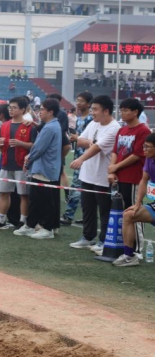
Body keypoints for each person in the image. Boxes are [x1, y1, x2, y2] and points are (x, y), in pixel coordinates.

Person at [69, 95, 121, 251]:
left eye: (95, 109)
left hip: (103, 176)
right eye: (92, 109)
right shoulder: (93, 123)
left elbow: (98, 148)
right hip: (87, 175)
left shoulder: (114, 128)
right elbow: (80, 141)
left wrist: (81, 159)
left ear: (106, 111)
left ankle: (104, 241)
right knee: (87, 208)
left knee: (105, 210)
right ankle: (87, 237)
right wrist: (89, 143)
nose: (92, 112)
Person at [106, 98, 149, 255]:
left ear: (135, 112)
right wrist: (112, 170)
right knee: (122, 213)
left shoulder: (143, 131)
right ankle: (125, 246)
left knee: (134, 213)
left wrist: (116, 167)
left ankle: (137, 249)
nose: (122, 113)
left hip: (133, 178)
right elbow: (115, 151)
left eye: (125, 110)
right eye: (121, 110)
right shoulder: (122, 130)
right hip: (120, 177)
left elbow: (137, 155)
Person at [15, 99, 63, 239]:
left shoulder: (50, 127)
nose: (39, 112)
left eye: (42, 109)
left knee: (44, 200)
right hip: (43, 168)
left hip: (45, 169)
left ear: (50, 112)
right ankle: (30, 225)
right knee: (35, 199)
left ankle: (47, 228)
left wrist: (28, 159)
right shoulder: (51, 125)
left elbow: (39, 148)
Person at [0, 96, 36, 230]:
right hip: (6, 163)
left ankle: (23, 221)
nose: (11, 110)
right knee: (3, 193)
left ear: (22, 110)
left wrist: (21, 143)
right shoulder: (4, 125)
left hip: (22, 166)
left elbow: (35, 146)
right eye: (10, 107)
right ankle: (1, 220)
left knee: (24, 195)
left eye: (14, 108)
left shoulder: (29, 126)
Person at [114, 133, 155, 266]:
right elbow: (143, 180)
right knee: (128, 215)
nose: (144, 150)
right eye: (144, 146)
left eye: (147, 147)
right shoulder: (149, 159)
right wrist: (137, 204)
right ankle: (129, 256)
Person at [60, 93, 93, 227]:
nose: (78, 103)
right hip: (79, 155)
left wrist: (77, 138)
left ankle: (68, 215)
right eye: (77, 100)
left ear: (88, 104)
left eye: (81, 101)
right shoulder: (79, 118)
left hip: (87, 157)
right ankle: (88, 217)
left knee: (76, 187)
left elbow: (92, 139)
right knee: (86, 189)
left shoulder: (91, 119)